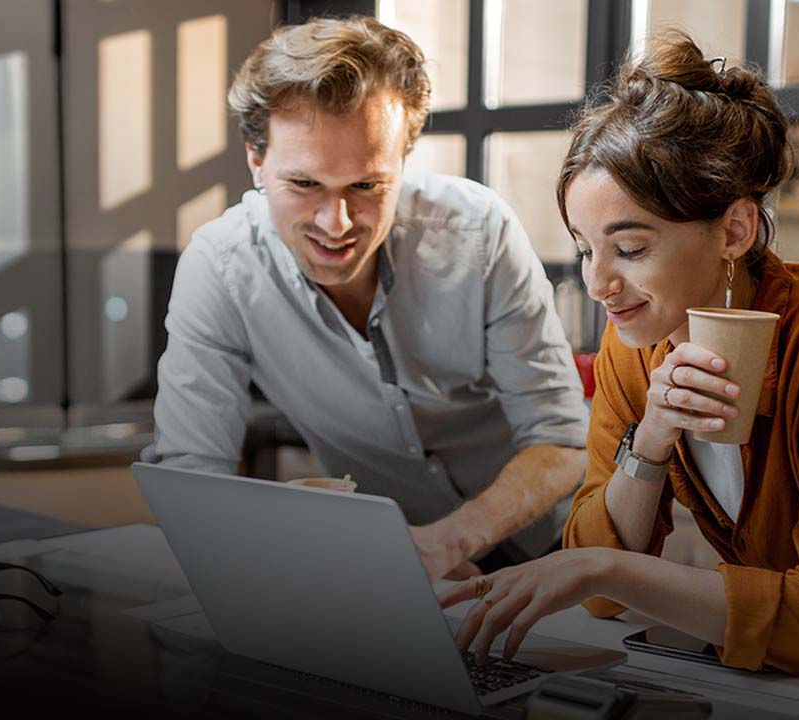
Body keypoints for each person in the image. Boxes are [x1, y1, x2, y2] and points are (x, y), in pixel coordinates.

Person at [440, 31, 799, 674]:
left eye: (630, 249)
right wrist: (649, 439)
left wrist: (603, 567)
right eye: (585, 248)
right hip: (790, 651)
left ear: (733, 230)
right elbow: (597, 592)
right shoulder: (638, 337)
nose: (599, 284)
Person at [140, 16, 590, 579]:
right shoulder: (220, 267)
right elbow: (193, 475)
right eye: (304, 185)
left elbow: (562, 440)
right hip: (392, 568)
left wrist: (447, 544)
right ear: (257, 161)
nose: (337, 223)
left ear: (404, 160)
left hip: (553, 544)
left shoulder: (479, 232)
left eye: (367, 185)